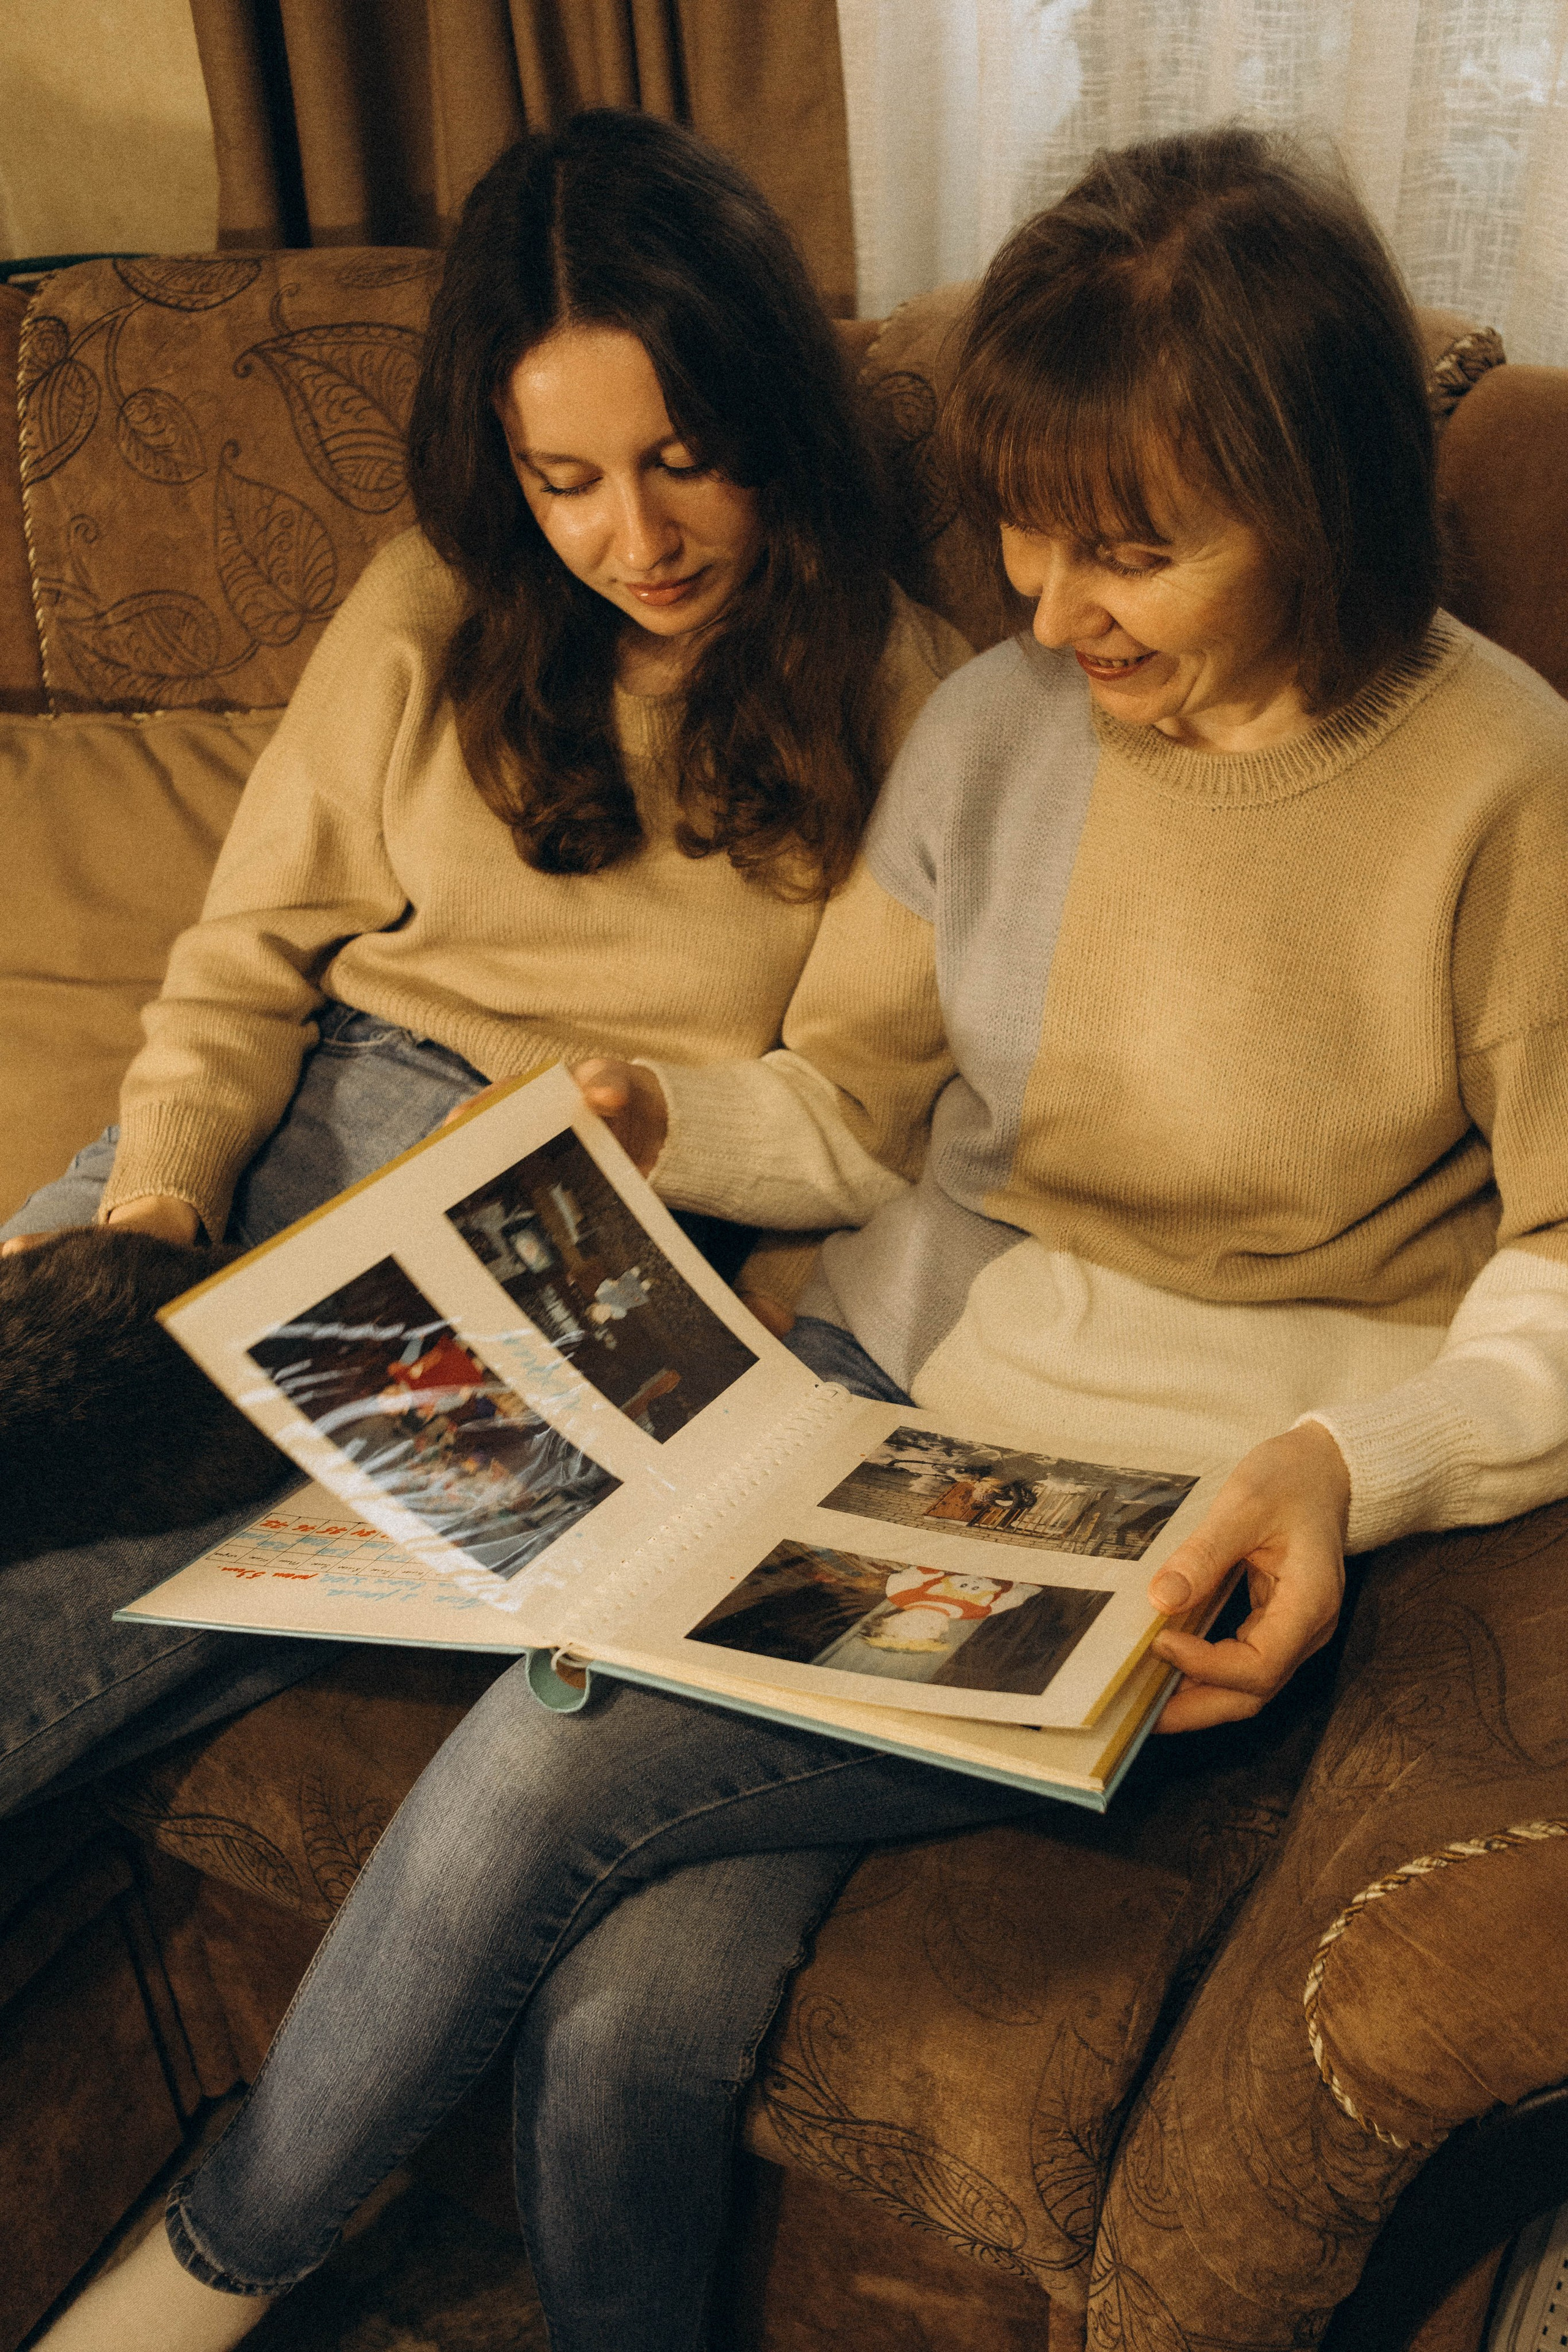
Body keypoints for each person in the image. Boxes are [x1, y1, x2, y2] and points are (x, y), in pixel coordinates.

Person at [47, 126, 1568, 2352]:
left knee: (549, 1743)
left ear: (1320, 502)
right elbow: (856, 1119)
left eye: (1129, 552)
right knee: (629, 2018)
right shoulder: (994, 723)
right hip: (879, 1393)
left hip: (1194, 1502)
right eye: (1030, 534)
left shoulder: (1508, 786)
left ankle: (193, 2281)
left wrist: (1367, 1468)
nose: (1051, 612)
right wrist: (673, 1117)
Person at [0, 108, 968, 1819]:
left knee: (61, 1633)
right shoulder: (428, 606)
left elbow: (853, 1119)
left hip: (570, 1216)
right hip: (286, 1120)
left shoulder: (912, 696)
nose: (637, 540)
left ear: (774, 421)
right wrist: (147, 1209)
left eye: (686, 458)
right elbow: (243, 968)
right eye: (566, 481)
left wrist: (652, 1121)